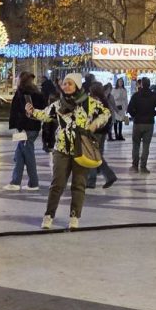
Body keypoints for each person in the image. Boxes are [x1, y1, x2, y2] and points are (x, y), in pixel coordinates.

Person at [26, 73, 110, 230]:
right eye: (64, 84)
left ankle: (74, 216)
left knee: (79, 185)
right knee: (57, 184)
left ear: (77, 85)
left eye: (70, 83)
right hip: (62, 149)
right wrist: (31, 112)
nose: (66, 86)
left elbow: (106, 113)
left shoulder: (89, 103)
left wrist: (94, 125)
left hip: (81, 149)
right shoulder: (58, 104)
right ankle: (49, 215)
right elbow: (44, 115)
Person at [4, 71, 45, 191]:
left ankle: (33, 182)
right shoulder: (37, 93)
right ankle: (15, 182)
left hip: (26, 128)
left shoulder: (22, 93)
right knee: (19, 155)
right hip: (33, 127)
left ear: (21, 80)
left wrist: (19, 125)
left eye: (17, 78)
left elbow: (20, 111)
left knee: (28, 155)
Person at [85, 82, 118, 191]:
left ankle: (93, 180)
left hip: (95, 131)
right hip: (102, 131)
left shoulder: (94, 101)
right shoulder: (104, 100)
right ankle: (106, 176)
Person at [126, 78, 156, 173]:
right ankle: (143, 166)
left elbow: (129, 109)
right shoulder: (153, 95)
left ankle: (134, 166)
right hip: (149, 123)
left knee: (136, 145)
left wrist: (135, 116)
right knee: (146, 146)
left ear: (141, 84)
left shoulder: (136, 95)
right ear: (149, 84)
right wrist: (153, 114)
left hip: (138, 122)